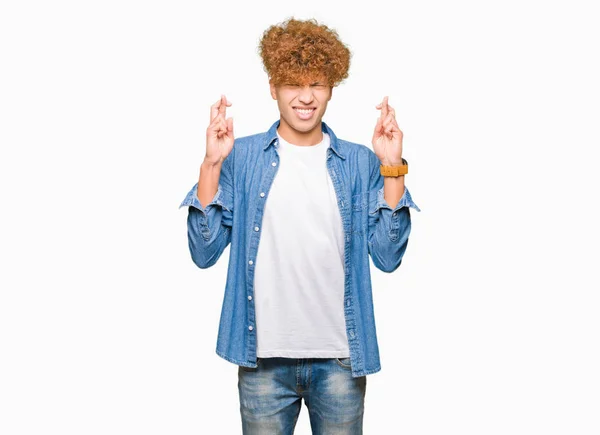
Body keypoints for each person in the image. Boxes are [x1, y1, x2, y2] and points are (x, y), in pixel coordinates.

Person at [179, 17, 420, 435]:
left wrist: (391, 168)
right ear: (273, 87)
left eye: (318, 84)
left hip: (341, 361)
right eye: (293, 83)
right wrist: (211, 164)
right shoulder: (243, 156)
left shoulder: (361, 162)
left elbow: (386, 256)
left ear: (331, 89)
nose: (305, 97)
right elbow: (204, 252)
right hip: (262, 363)